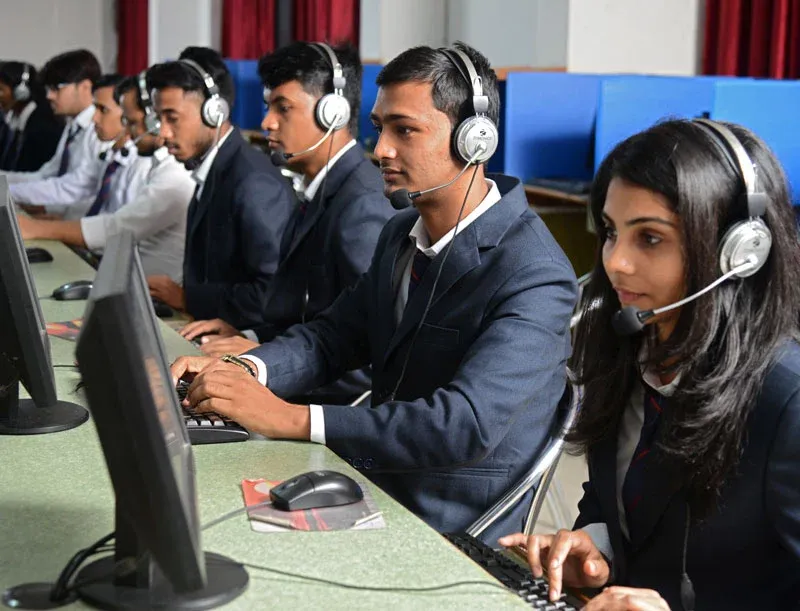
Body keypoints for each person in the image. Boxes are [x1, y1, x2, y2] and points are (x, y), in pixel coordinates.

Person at [171, 42, 577, 543]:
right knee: (204, 513)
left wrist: (290, 417)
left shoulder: (534, 273)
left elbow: (462, 425)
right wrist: (245, 369)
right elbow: (331, 338)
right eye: (380, 127)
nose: (381, 149)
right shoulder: (400, 232)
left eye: (404, 130)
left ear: (475, 140)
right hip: (371, 477)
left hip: (445, 521)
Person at [499, 119, 800, 610]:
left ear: (739, 253)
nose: (615, 261)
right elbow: (617, 502)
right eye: (611, 232)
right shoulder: (629, 353)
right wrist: (597, 547)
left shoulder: (786, 405)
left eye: (651, 239)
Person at [180, 42, 396, 403]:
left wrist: (261, 365)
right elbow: (306, 318)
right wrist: (250, 337)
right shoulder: (319, 190)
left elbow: (368, 361)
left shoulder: (361, 207)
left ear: (333, 113)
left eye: (283, 108)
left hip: (320, 411)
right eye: (269, 107)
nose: (267, 122)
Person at [146, 47, 293, 326]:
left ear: (214, 112)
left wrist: (188, 298)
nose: (162, 134)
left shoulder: (253, 184)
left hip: (243, 340)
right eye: (159, 120)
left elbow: (272, 294)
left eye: (172, 118)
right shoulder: (213, 169)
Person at [16, 72, 195, 281]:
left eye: (131, 121)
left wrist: (39, 228)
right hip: (119, 273)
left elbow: (119, 227)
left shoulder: (174, 174)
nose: (127, 131)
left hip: (146, 287)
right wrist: (58, 215)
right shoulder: (151, 161)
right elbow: (107, 208)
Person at [3, 49, 103, 213]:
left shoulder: (99, 131)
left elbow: (71, 188)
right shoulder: (73, 126)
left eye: (57, 88)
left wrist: (6, 192)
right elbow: (46, 175)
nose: (49, 95)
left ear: (85, 87)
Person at [0, 61, 64, 172]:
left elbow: (32, 172)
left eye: (1, 90)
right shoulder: (11, 121)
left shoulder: (42, 127)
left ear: (20, 92)